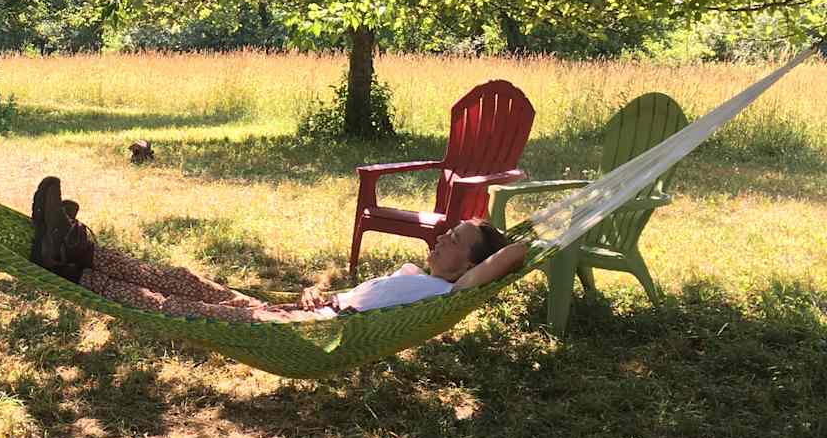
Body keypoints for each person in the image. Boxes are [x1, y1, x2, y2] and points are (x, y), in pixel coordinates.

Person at [29, 177, 526, 324]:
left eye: (455, 241)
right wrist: (319, 293)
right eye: (449, 232)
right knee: (185, 279)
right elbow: (358, 298)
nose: (442, 238)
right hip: (297, 313)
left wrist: (545, 233)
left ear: (468, 265)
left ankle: (69, 269)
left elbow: (507, 258)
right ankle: (79, 250)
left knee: (175, 307)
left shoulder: (447, 292)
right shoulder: (416, 274)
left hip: (300, 332)